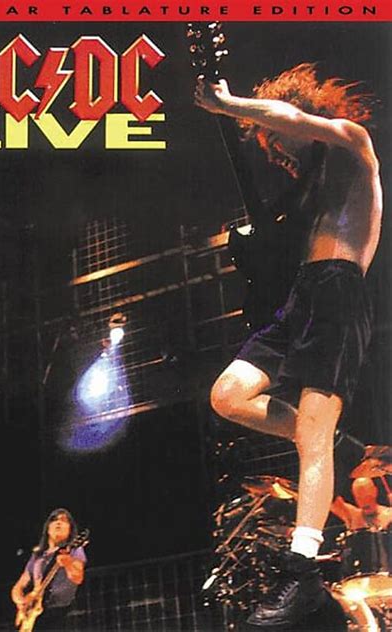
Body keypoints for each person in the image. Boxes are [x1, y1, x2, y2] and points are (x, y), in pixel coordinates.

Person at [195, 63, 382, 627]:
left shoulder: (353, 143)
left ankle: (302, 575)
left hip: (338, 293)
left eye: (274, 140)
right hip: (301, 298)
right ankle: (330, 441)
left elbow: (291, 119)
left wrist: (229, 105)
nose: (274, 150)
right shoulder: (310, 190)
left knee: (312, 435)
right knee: (227, 396)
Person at [11, 508, 87, 631]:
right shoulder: (37, 556)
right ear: (48, 527)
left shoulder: (74, 550)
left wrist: (67, 562)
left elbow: (78, 577)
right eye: (54, 519)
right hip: (35, 615)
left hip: (59, 613)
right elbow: (20, 584)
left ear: (70, 529)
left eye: (64, 520)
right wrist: (20, 601)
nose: (59, 522)